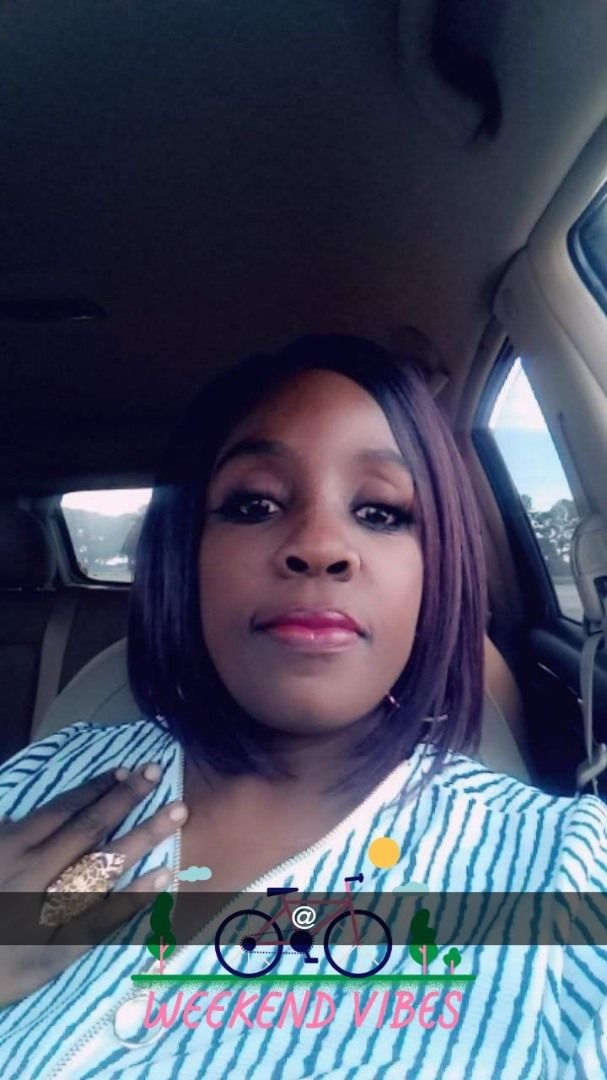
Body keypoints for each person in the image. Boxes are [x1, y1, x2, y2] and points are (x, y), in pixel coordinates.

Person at [0, 333, 605, 1079]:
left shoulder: (565, 869)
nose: (319, 546)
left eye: (381, 511)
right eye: (253, 503)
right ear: (185, 556)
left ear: (436, 572)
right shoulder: (44, 775)